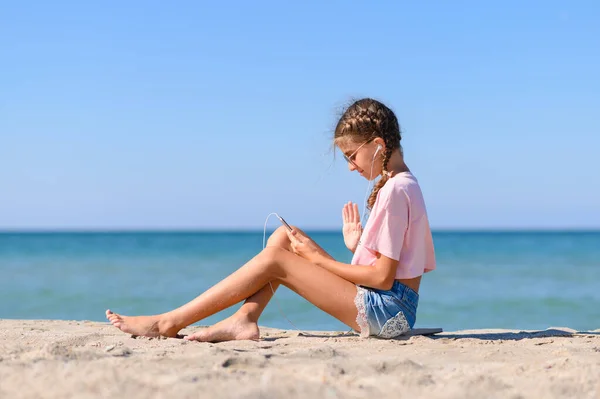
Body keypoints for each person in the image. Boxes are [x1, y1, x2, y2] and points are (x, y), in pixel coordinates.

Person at [106, 98, 436, 341]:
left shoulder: (395, 190)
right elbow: (392, 268)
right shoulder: (403, 184)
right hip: (389, 302)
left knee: (277, 259)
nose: (351, 166)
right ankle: (244, 320)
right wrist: (358, 244)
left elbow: (381, 278)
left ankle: (168, 322)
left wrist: (319, 259)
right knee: (283, 238)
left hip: (389, 313)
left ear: (377, 145)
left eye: (351, 156)